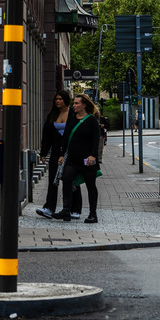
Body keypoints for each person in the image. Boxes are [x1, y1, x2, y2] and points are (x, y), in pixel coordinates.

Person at [55, 94, 102, 223]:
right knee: (66, 179)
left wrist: (93, 155)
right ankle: (66, 210)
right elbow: (66, 138)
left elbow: (96, 139)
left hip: (87, 160)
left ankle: (93, 214)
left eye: (76, 103)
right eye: (74, 103)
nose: (74, 106)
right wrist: (61, 154)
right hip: (73, 159)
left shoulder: (91, 120)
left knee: (90, 185)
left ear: (84, 105)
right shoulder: (72, 118)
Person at [36, 90, 80, 219]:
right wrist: (43, 153)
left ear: (66, 100)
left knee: (71, 181)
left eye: (60, 99)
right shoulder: (52, 115)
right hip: (55, 152)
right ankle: (49, 208)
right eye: (56, 99)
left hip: (70, 152)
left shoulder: (73, 114)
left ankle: (75, 209)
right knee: (52, 181)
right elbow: (46, 136)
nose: (58, 101)